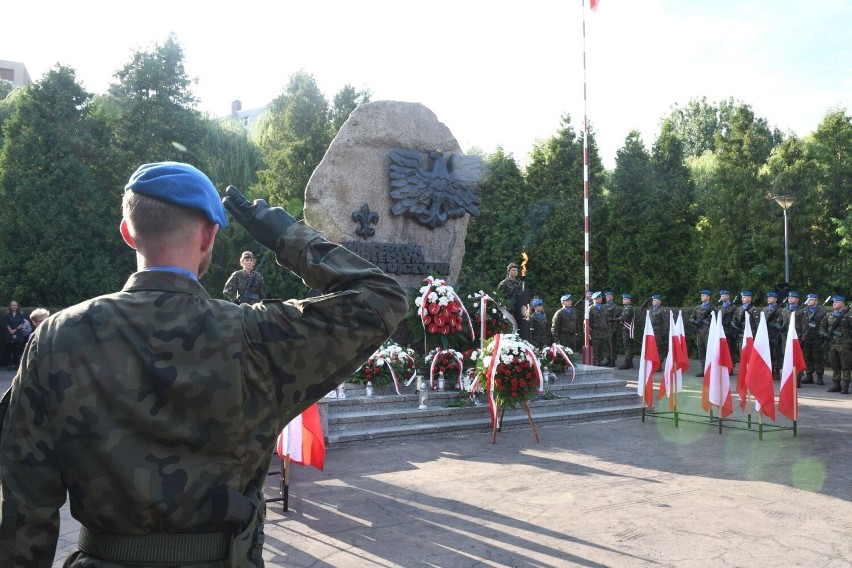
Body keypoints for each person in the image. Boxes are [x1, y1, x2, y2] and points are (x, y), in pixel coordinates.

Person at [0, 162, 408, 566]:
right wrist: (286, 236)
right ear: (210, 235)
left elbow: (22, 503)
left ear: (127, 234)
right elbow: (381, 297)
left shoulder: (58, 337)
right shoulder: (253, 334)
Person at [820, 295, 852, 394]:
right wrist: (826, 335)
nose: (834, 303)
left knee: (846, 365)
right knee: (835, 365)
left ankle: (845, 386)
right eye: (833, 302)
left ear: (842, 303)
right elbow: (822, 327)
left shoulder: (848, 316)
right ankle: (836, 385)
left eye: (837, 302)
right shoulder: (829, 315)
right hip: (832, 344)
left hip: (845, 344)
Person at [799, 293, 828, 385]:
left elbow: (826, 325)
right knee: (807, 357)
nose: (808, 301)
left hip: (817, 338)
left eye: (810, 300)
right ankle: (809, 376)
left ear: (816, 301)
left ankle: (819, 376)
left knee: (818, 357)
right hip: (806, 337)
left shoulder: (823, 311)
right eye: (807, 300)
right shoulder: (803, 311)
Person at [690, 290, 714, 376]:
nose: (702, 297)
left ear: (708, 297)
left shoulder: (712, 308)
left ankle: (711, 370)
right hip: (699, 332)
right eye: (701, 295)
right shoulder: (697, 308)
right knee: (701, 351)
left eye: (704, 295)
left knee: (709, 351)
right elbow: (691, 318)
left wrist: (706, 321)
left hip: (708, 332)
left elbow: (715, 319)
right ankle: (703, 370)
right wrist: (696, 322)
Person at [762, 291, 784, 381]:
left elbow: (780, 322)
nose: (768, 299)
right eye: (768, 298)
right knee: (768, 353)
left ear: (775, 299)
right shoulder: (765, 309)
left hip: (775, 334)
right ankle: (769, 370)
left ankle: (777, 370)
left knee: (776, 353)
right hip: (766, 334)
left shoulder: (779, 310)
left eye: (770, 298)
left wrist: (774, 325)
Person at [717, 290, 738, 373]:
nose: (722, 297)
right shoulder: (719, 308)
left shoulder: (733, 307)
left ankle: (731, 367)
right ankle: (723, 365)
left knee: (730, 349)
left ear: (728, 296)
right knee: (722, 349)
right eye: (721, 296)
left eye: (724, 295)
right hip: (721, 332)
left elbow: (736, 318)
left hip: (730, 331)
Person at [3, 301, 26, 371]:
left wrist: (15, 330)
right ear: (10, 306)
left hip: (18, 334)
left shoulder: (21, 315)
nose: (14, 306)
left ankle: (16, 365)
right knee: (9, 351)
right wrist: (11, 331)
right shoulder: (6, 315)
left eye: (15, 305)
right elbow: (6, 324)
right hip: (8, 335)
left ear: (17, 306)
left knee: (17, 351)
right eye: (12, 305)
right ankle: (9, 365)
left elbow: (22, 323)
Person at [588, 291, 609, 366]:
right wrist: (588, 334)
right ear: (594, 299)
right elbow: (587, 323)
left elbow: (606, 319)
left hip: (603, 332)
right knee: (595, 350)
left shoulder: (604, 307)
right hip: (595, 333)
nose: (600, 299)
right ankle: (594, 364)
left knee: (602, 350)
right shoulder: (591, 309)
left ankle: (600, 363)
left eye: (600, 297)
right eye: (598, 298)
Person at [617, 293, 636, 369]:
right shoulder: (628, 307)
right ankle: (630, 362)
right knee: (630, 346)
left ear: (629, 300)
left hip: (627, 329)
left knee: (627, 346)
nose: (623, 300)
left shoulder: (627, 308)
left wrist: (615, 320)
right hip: (628, 329)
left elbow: (623, 317)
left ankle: (627, 362)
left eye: (625, 299)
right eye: (623, 299)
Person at [647, 295, 669, 364]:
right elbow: (642, 308)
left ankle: (659, 363)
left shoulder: (662, 310)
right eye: (653, 300)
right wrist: (647, 300)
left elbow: (666, 323)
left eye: (655, 300)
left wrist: (664, 333)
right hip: (651, 331)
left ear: (659, 302)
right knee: (652, 347)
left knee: (659, 347)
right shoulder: (650, 309)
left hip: (658, 331)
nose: (653, 302)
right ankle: (653, 361)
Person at [604, 291, 618, 367]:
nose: (607, 298)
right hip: (605, 327)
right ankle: (608, 359)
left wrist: (614, 329)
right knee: (606, 345)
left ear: (612, 297)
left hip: (611, 328)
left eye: (608, 297)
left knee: (612, 345)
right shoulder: (604, 306)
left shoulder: (614, 306)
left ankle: (613, 360)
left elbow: (616, 319)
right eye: (606, 297)